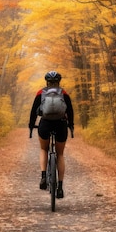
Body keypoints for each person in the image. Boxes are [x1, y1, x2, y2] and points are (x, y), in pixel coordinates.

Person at [29, 70, 74, 198]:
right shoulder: (64, 93)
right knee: (60, 154)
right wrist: (71, 125)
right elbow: (70, 111)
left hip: (45, 124)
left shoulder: (41, 93)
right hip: (61, 124)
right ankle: (60, 186)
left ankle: (43, 176)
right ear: (58, 82)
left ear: (47, 82)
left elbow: (33, 111)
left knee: (44, 149)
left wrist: (31, 125)